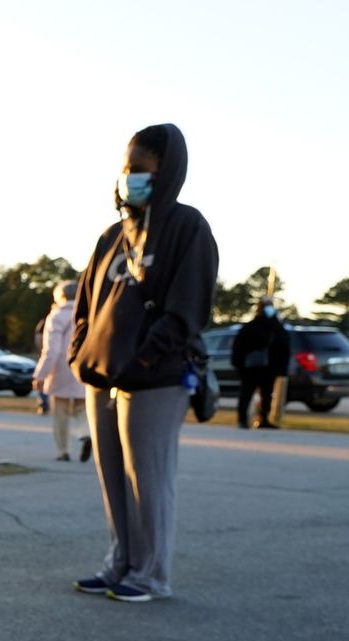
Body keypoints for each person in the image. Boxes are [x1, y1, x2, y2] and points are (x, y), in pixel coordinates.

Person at [69, 123, 218, 603]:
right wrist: (79, 355)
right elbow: (85, 304)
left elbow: (187, 308)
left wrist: (146, 357)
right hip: (102, 374)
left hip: (155, 378)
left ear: (166, 171)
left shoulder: (186, 227)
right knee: (112, 477)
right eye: (126, 167)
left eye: (141, 168)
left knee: (147, 480)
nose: (129, 176)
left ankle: (151, 574)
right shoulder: (112, 235)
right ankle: (120, 563)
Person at [32, 281, 89, 461]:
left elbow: (51, 350)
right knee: (82, 408)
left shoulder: (57, 316)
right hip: (82, 366)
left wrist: (40, 375)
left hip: (61, 369)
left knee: (60, 412)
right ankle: (85, 434)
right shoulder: (88, 313)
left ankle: (63, 450)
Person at [230, 297, 290, 429]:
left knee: (266, 394)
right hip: (252, 368)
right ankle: (243, 419)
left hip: (268, 367)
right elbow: (239, 347)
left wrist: (281, 368)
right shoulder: (252, 327)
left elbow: (284, 348)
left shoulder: (276, 328)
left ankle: (263, 419)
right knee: (247, 393)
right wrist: (238, 364)